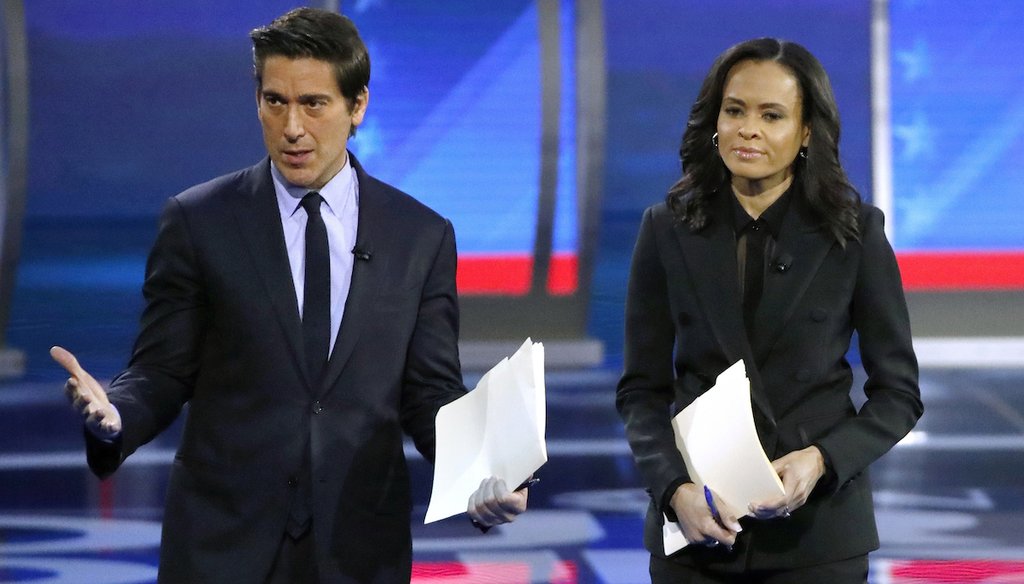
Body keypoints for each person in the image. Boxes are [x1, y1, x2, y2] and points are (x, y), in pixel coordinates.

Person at [51, 8, 527, 583]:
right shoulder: (199, 221)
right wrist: (115, 413)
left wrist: (480, 472)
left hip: (358, 550)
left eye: (314, 104)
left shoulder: (420, 236)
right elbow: (162, 368)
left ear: (358, 108)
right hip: (222, 546)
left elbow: (429, 391)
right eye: (275, 101)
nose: (292, 127)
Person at [616, 38, 923, 583]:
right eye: (734, 110)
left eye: (771, 115)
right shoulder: (666, 228)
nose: (747, 129)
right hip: (696, 531)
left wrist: (823, 460)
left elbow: (898, 394)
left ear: (806, 133)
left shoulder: (854, 234)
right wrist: (672, 490)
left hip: (818, 536)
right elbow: (641, 391)